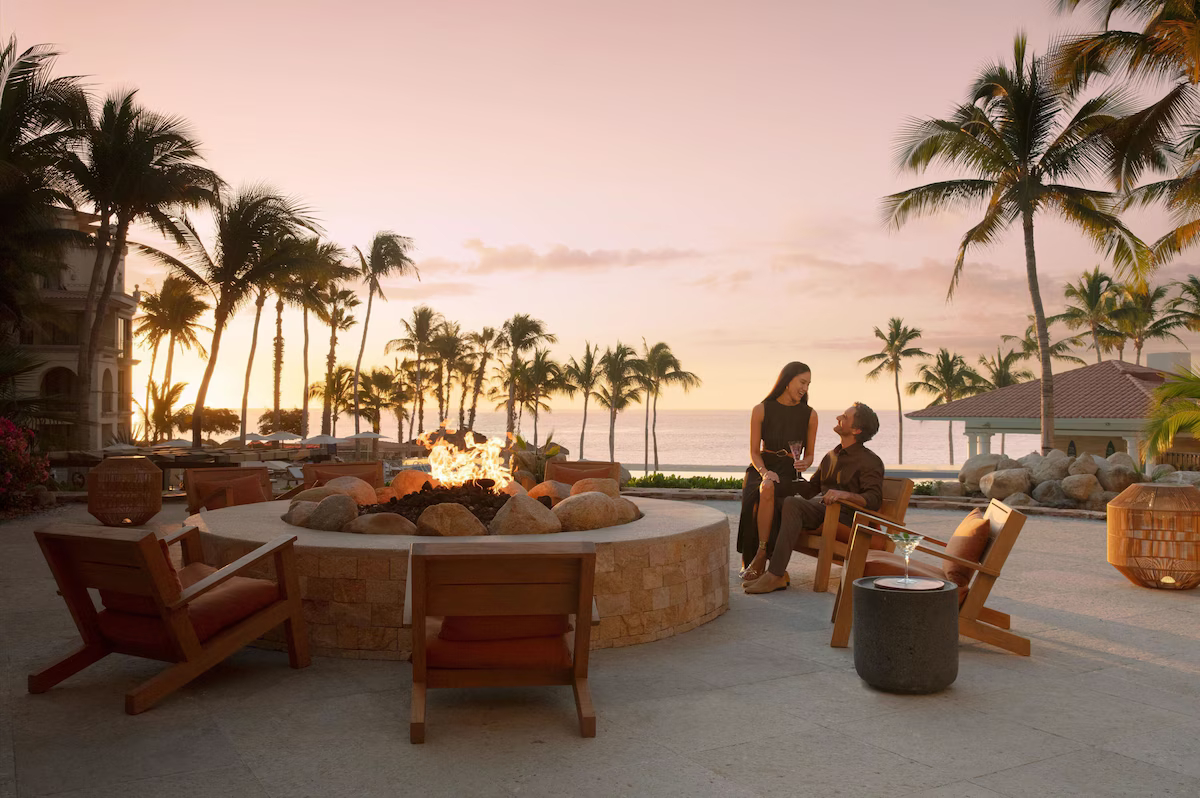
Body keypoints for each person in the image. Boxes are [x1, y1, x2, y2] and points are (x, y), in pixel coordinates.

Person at [744, 402, 884, 594]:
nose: (838, 418)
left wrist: (843, 494)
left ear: (856, 430)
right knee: (775, 501)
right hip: (822, 511)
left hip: (846, 518)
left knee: (792, 504)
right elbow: (810, 490)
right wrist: (782, 477)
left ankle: (775, 575)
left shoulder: (870, 461)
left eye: (845, 417)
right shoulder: (831, 456)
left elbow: (874, 499)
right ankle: (770, 567)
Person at [736, 362, 819, 581]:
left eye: (808, 384)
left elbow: (810, 455)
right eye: (802, 382)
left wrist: (805, 463)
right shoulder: (761, 409)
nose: (805, 388)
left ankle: (762, 556)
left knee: (770, 492)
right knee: (758, 495)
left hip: (789, 470)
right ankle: (753, 557)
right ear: (787, 380)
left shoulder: (810, 415)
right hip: (762, 467)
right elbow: (754, 452)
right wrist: (764, 471)